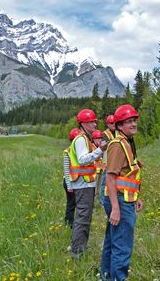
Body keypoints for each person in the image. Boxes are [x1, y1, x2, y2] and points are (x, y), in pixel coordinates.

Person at [100, 104, 143, 281]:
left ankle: (106, 276)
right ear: (119, 126)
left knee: (112, 241)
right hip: (119, 200)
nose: (133, 124)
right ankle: (116, 278)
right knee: (122, 246)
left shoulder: (126, 143)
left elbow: (127, 174)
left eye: (134, 120)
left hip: (125, 198)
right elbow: (110, 178)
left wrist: (137, 197)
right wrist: (116, 209)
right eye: (128, 122)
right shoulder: (118, 145)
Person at [68, 109, 107, 259]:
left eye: (95, 121)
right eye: (91, 121)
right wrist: (99, 150)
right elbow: (83, 159)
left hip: (85, 184)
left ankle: (80, 247)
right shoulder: (80, 139)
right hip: (82, 185)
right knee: (83, 217)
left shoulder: (85, 138)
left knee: (84, 216)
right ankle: (77, 252)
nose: (95, 124)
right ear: (83, 123)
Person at [62, 128, 80, 228]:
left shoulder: (79, 151)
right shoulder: (67, 152)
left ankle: (71, 221)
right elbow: (66, 169)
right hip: (69, 182)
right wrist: (69, 185)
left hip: (76, 181)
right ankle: (69, 223)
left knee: (75, 203)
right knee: (71, 203)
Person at [92, 130, 106, 204]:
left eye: (100, 138)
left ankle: (99, 201)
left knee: (100, 187)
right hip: (93, 171)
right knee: (93, 188)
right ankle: (92, 202)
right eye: (97, 138)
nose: (99, 140)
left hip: (101, 170)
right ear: (93, 139)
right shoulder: (92, 146)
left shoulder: (102, 147)